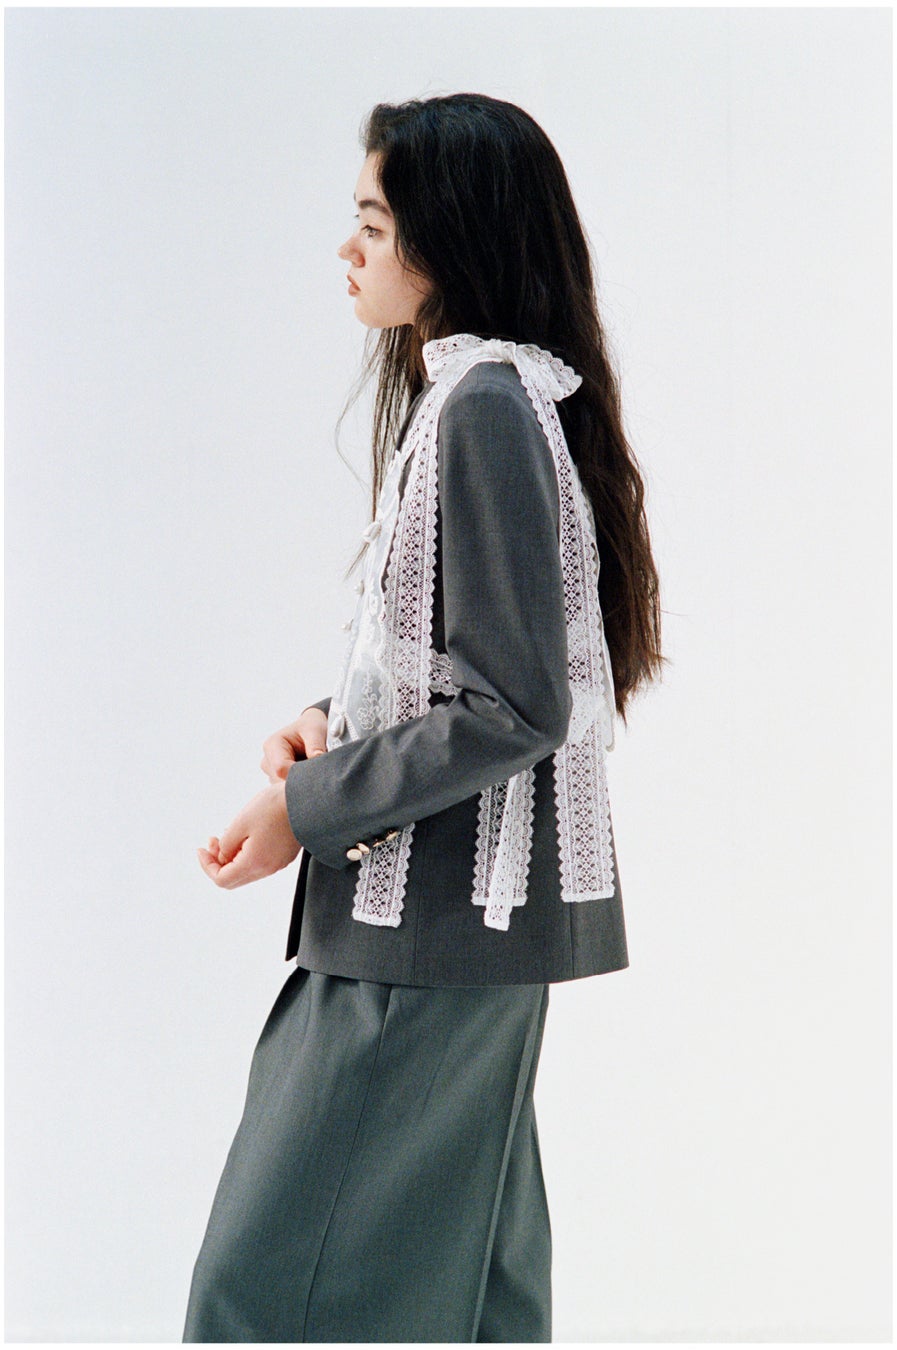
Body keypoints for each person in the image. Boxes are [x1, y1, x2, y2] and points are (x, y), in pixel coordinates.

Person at [182, 92, 665, 1343]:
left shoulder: (485, 405)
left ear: (446, 240)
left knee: (258, 1300)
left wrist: (304, 808)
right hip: (459, 942)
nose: (347, 249)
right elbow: (477, 671)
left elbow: (514, 704)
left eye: (373, 223)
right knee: (478, 1304)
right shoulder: (496, 395)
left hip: (422, 944)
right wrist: (329, 721)